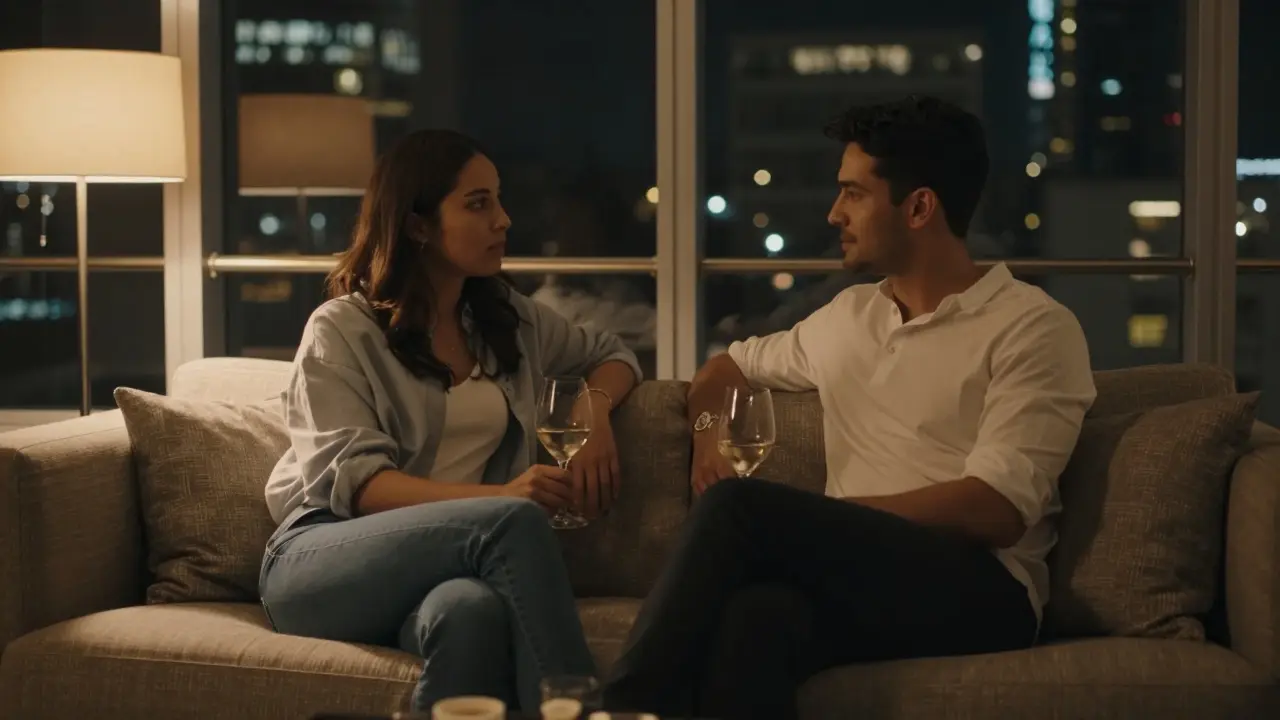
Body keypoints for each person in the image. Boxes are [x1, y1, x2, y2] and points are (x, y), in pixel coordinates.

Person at [602, 96, 1097, 720]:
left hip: (982, 589)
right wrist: (706, 433)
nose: (835, 213)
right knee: (754, 620)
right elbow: (726, 368)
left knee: (738, 508)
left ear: (919, 206)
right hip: (862, 576)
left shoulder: (1031, 327)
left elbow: (997, 509)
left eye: (853, 194)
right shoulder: (847, 316)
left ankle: (617, 707)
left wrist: (817, 520)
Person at [258, 129, 642, 714]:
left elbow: (613, 354)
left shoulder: (504, 318)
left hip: (451, 569)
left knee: (469, 612)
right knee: (511, 520)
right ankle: (579, 710)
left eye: (500, 199)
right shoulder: (342, 330)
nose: (504, 220)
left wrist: (592, 410)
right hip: (322, 557)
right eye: (478, 203)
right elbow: (360, 486)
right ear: (417, 225)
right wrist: (496, 500)